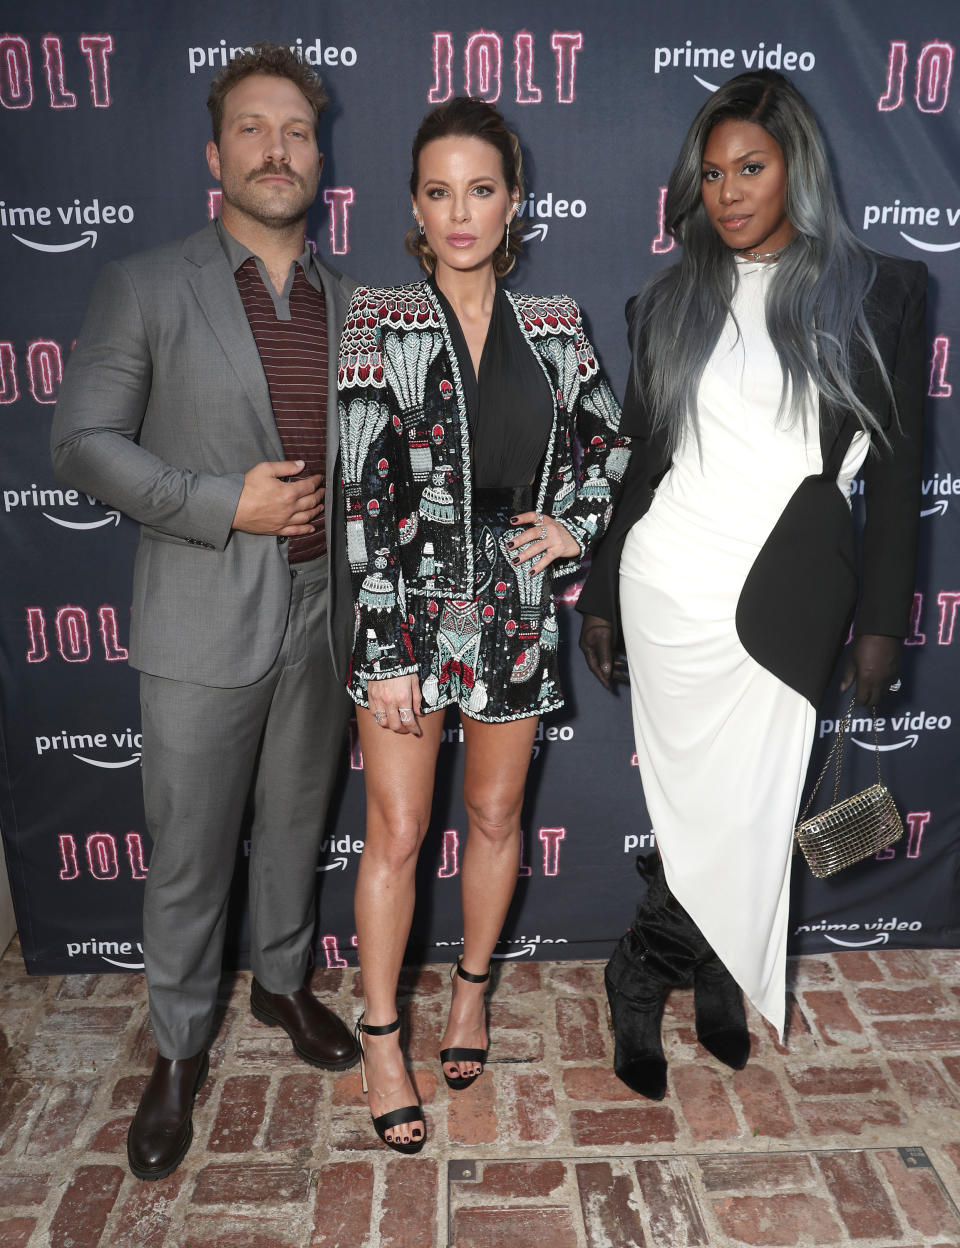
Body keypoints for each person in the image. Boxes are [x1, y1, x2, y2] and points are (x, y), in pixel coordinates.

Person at [578, 70, 926, 1100]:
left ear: (795, 170)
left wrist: (881, 624)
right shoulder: (667, 301)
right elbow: (644, 462)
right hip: (670, 580)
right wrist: (602, 592)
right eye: (714, 173)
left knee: (757, 808)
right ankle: (696, 984)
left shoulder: (881, 292)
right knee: (702, 809)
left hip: (788, 595)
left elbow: (899, 475)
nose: (729, 192)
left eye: (752, 168)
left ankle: (643, 967)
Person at [51, 44, 359, 1180]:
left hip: (327, 617)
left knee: (294, 827)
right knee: (188, 855)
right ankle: (178, 1048)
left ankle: (280, 985)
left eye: (296, 132)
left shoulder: (354, 301)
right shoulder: (147, 283)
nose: (277, 149)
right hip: (198, 616)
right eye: (253, 129)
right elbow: (79, 443)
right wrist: (223, 504)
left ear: (319, 158)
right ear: (215, 155)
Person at [338, 96, 629, 1151]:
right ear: (415, 205)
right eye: (439, 191)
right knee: (399, 832)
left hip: (510, 613)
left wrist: (578, 525)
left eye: (482, 189)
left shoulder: (556, 327)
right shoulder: (380, 317)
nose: (462, 212)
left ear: (514, 201)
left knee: (498, 819)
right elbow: (361, 494)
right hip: (406, 612)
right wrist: (383, 649)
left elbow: (615, 446)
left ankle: (468, 995)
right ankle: (380, 1038)